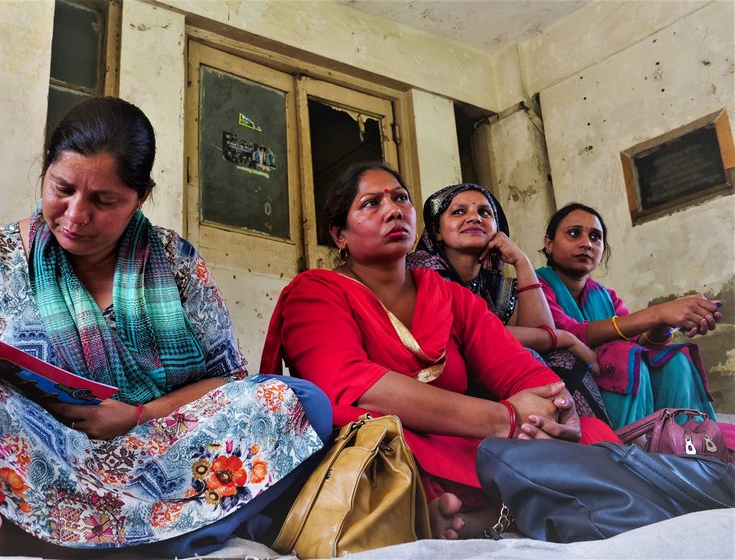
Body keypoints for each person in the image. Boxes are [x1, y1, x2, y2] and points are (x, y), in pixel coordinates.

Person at [0, 97, 331, 557]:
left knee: (296, 401)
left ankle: (52, 538)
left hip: (153, 451)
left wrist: (138, 415)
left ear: (141, 197)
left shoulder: (176, 263)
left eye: (103, 201)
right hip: (36, 459)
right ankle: (166, 536)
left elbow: (227, 383)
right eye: (63, 189)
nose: (76, 215)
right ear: (46, 172)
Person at [261, 163, 618, 540]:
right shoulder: (315, 292)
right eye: (371, 203)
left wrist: (554, 409)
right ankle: (475, 506)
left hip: (460, 434)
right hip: (394, 440)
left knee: (592, 433)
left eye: (401, 198)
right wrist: (505, 419)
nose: (394, 210)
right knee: (379, 445)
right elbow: (352, 385)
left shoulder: (450, 295)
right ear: (340, 235)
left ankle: (473, 512)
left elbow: (517, 368)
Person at [408, 184, 608, 423]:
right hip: (440, 380)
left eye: (485, 212)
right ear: (437, 231)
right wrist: (565, 337)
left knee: (561, 358)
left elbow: (541, 334)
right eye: (459, 212)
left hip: (487, 376)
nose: (474, 217)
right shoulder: (423, 270)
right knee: (530, 355)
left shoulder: (493, 284)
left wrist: (521, 261)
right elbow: (475, 337)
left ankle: (595, 444)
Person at [536, 203, 720, 429]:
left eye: (596, 237)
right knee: (624, 354)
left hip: (610, 379)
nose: (587, 243)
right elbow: (567, 332)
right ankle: (628, 447)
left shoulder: (605, 296)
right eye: (574, 233)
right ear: (549, 243)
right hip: (565, 386)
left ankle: (684, 444)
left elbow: (640, 343)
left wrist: (668, 323)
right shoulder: (535, 286)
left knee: (675, 361)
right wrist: (659, 312)